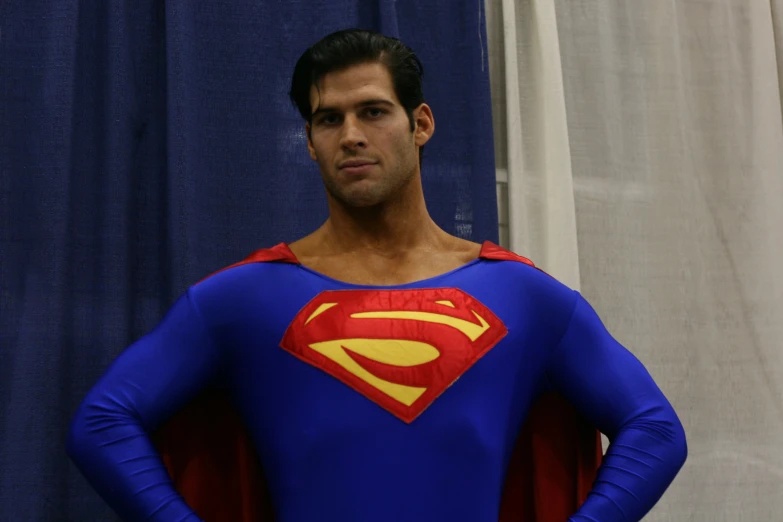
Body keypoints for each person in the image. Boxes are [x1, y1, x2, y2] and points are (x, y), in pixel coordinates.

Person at [66, 29, 687, 522]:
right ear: (309, 142)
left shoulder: (523, 297)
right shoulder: (241, 299)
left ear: (420, 124)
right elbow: (102, 423)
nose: (351, 136)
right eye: (328, 119)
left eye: (372, 111)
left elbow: (654, 429)